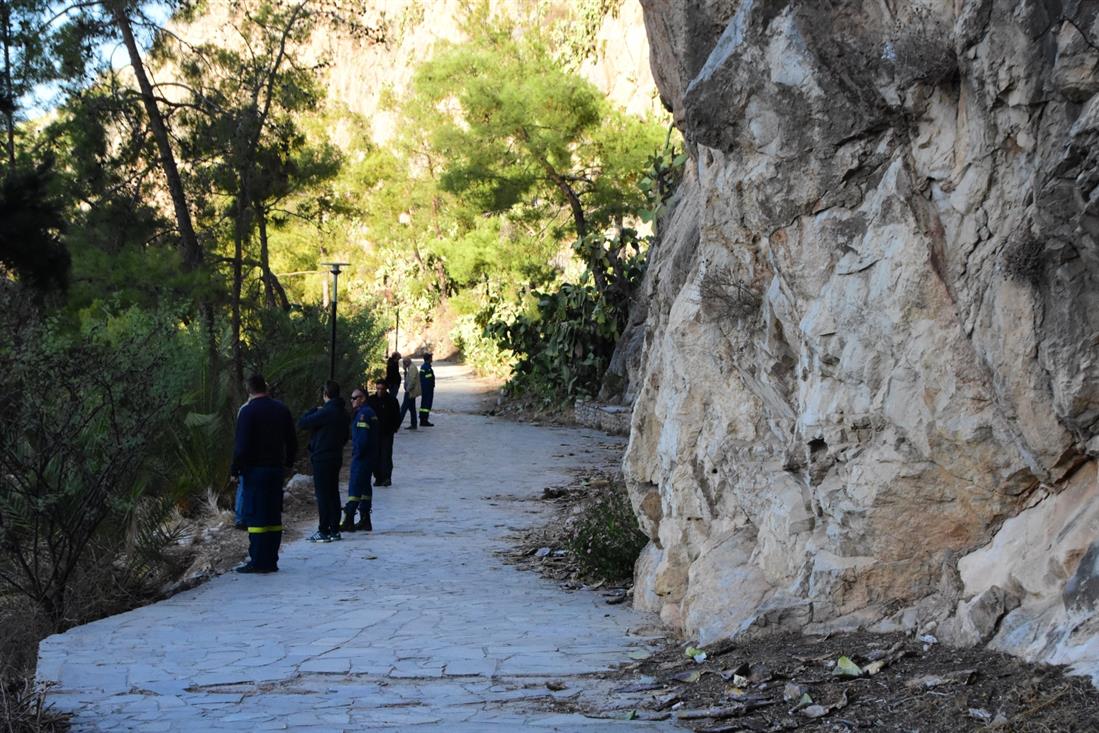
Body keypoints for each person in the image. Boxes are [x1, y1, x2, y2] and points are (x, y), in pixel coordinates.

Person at [230, 374, 296, 573]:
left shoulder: (248, 412)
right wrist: (288, 464)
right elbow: (292, 441)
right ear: (266, 388)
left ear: (249, 390)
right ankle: (271, 559)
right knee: (273, 516)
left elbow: (241, 446)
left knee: (257, 517)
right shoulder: (281, 409)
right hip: (276, 470)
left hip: (255, 471)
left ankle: (258, 561)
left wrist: (235, 469)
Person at [297, 380, 349, 543]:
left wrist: (313, 410)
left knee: (323, 495)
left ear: (325, 395)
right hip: (335, 456)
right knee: (333, 493)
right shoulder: (343, 412)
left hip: (322, 457)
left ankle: (323, 530)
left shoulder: (326, 412)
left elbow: (302, 423)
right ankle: (334, 529)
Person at [342, 387, 379, 532]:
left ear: (362, 398)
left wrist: (357, 453)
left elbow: (362, 439)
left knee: (355, 486)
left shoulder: (363, 414)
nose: (351, 401)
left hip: (362, 457)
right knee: (364, 487)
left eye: (354, 398)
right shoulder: (369, 412)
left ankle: (349, 518)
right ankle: (365, 520)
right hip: (369, 457)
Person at [366, 378, 400, 486]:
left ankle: (386, 477)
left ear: (386, 389)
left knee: (386, 455)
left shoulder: (392, 401)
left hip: (387, 433)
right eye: (378, 389)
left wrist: (393, 429)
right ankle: (378, 477)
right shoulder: (371, 400)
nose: (380, 391)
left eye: (382, 389)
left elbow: (397, 416)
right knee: (375, 456)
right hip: (374, 434)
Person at [400, 356, 421, 430]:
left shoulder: (412, 368)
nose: (403, 365)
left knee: (403, 408)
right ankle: (414, 424)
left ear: (406, 362)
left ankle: (397, 424)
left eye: (404, 363)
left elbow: (412, 380)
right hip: (411, 391)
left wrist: (407, 390)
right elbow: (407, 378)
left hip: (410, 392)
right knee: (412, 409)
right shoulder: (410, 367)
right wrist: (405, 370)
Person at [418, 353, 435, 427]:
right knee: (426, 404)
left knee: (425, 404)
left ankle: (423, 419)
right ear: (428, 359)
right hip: (427, 389)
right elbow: (425, 378)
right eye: (431, 358)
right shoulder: (425, 367)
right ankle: (424, 420)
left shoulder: (426, 366)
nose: (432, 359)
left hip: (427, 388)